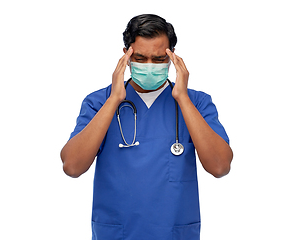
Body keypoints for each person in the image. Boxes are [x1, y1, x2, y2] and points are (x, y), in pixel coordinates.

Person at [60, 14, 233, 240]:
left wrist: (182, 97)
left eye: (159, 59)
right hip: (117, 234)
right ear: (126, 56)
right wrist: (114, 100)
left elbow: (220, 167)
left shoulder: (197, 103)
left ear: (172, 57)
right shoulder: (99, 102)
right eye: (140, 58)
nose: (149, 66)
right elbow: (72, 166)